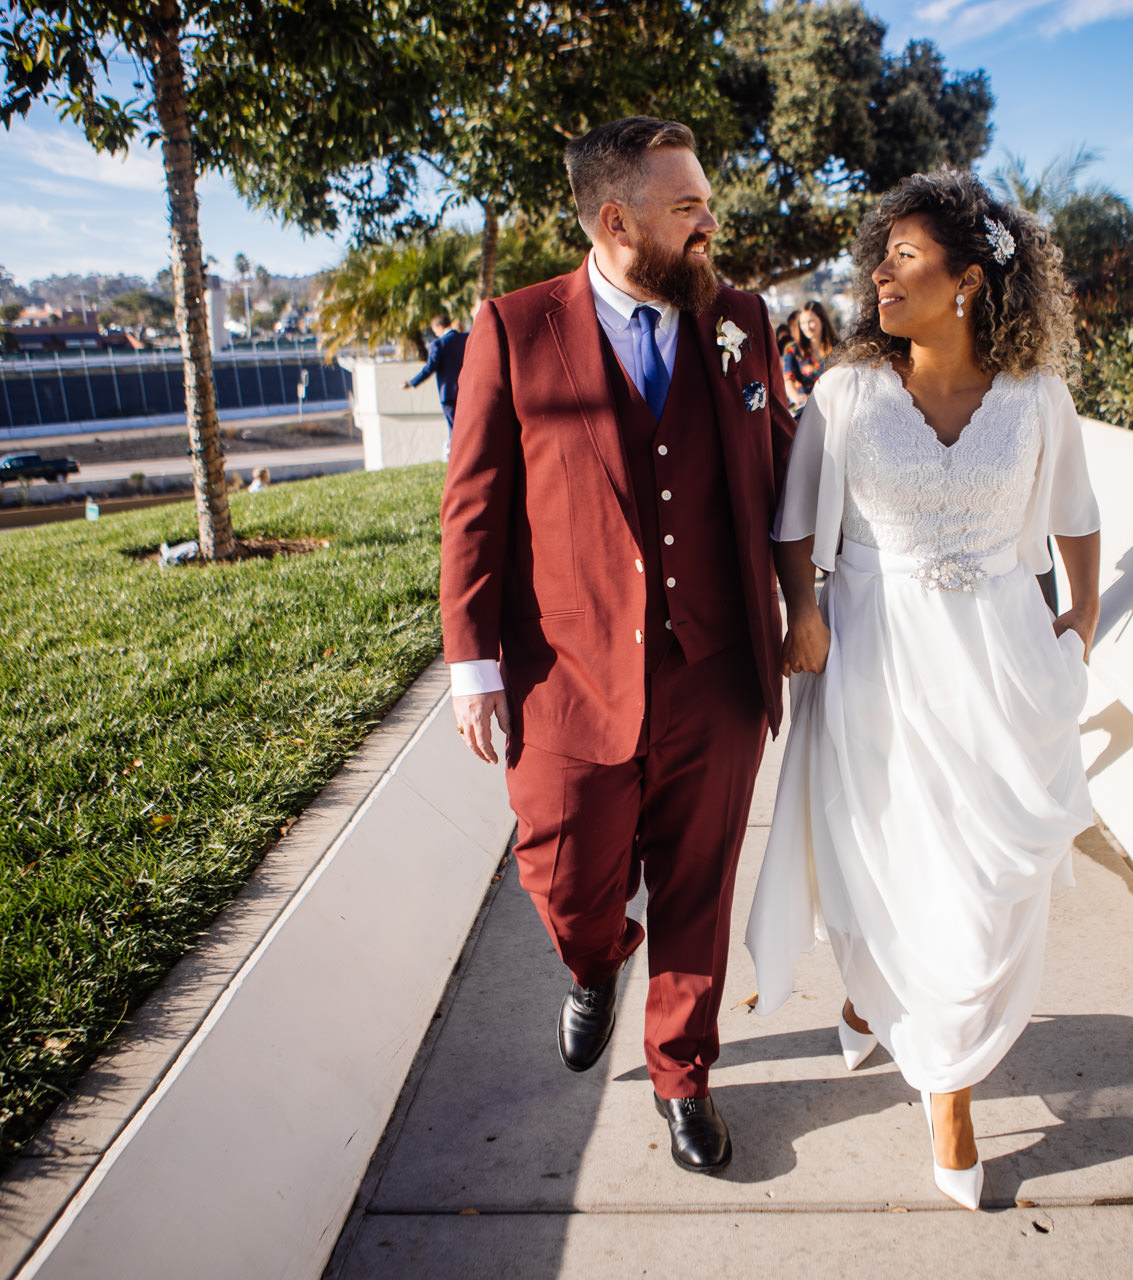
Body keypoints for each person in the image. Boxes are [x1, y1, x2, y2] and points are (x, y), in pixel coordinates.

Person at [440, 116, 796, 1175]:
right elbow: (475, 506)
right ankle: (595, 960)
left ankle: (684, 1072)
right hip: (568, 675)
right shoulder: (513, 328)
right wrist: (472, 660)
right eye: (687, 206)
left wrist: (811, 601)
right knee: (564, 875)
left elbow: (783, 469)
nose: (708, 222)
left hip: (719, 669)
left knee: (700, 881)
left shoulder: (741, 321)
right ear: (615, 219)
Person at [745, 170, 1101, 1211]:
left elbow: (1076, 512)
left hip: (1001, 668)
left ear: (970, 280)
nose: (879, 273)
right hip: (876, 660)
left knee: (987, 884)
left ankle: (885, 1007)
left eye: (905, 255)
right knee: (897, 859)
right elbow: (796, 520)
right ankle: (947, 1088)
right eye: (880, 254)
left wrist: (1082, 615)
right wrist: (802, 608)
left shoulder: (1037, 398)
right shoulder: (850, 391)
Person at [407, 313, 468, 454]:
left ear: (439, 326)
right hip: (466, 391)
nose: (435, 333)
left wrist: (412, 382)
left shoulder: (439, 344)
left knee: (454, 427)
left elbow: (430, 368)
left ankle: (457, 456)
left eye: (435, 330)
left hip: (448, 393)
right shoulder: (466, 339)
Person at [781, 299, 839, 415]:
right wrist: (797, 398)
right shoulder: (793, 350)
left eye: (811, 321)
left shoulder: (837, 348)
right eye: (802, 323)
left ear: (822, 320)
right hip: (803, 411)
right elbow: (788, 379)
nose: (807, 327)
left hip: (832, 408)